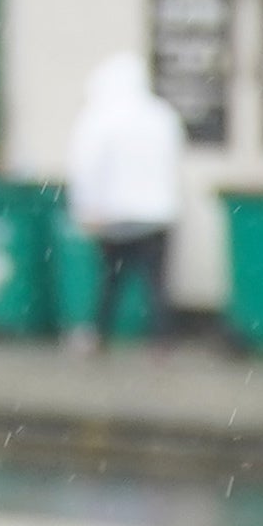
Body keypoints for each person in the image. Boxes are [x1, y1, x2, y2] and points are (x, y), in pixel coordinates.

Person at [64, 51, 185, 348]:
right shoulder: (162, 115)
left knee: (110, 281)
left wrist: (85, 208)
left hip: (115, 215)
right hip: (158, 214)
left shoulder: (98, 118)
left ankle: (97, 336)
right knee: (156, 286)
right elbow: (173, 161)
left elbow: (85, 166)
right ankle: (161, 343)